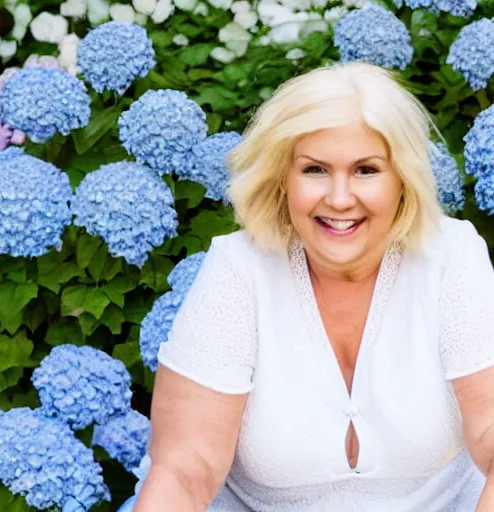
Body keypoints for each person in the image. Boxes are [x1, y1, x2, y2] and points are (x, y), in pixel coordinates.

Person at [127, 61, 494, 511]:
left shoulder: (452, 256)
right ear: (282, 177)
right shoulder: (239, 268)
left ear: (403, 178)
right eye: (315, 170)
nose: (339, 198)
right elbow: (186, 467)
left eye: (366, 170)